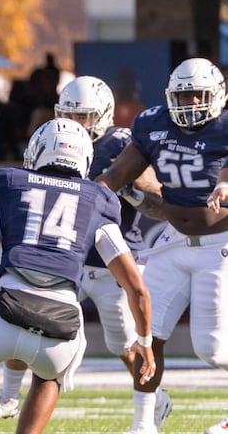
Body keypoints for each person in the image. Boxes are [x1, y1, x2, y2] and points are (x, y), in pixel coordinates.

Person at [0, 117, 156, 434]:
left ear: (39, 151)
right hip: (61, 329)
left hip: (5, 314)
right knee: (50, 377)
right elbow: (136, 289)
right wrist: (143, 342)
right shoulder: (98, 199)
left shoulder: (6, 183)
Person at [0, 76, 171, 429]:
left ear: (104, 115)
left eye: (86, 116)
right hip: (64, 259)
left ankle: (150, 409)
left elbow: (158, 199)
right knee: (21, 314)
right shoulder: (54, 139)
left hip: (110, 263)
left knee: (126, 344)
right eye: (70, 114)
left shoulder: (122, 144)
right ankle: (7, 394)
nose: (77, 124)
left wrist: (131, 192)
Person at [96, 57, 228, 434]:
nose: (190, 106)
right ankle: (143, 424)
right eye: (183, 97)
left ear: (217, 95)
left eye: (198, 97)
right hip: (173, 241)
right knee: (146, 336)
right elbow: (118, 173)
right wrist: (86, 198)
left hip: (219, 245)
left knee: (213, 349)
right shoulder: (153, 124)